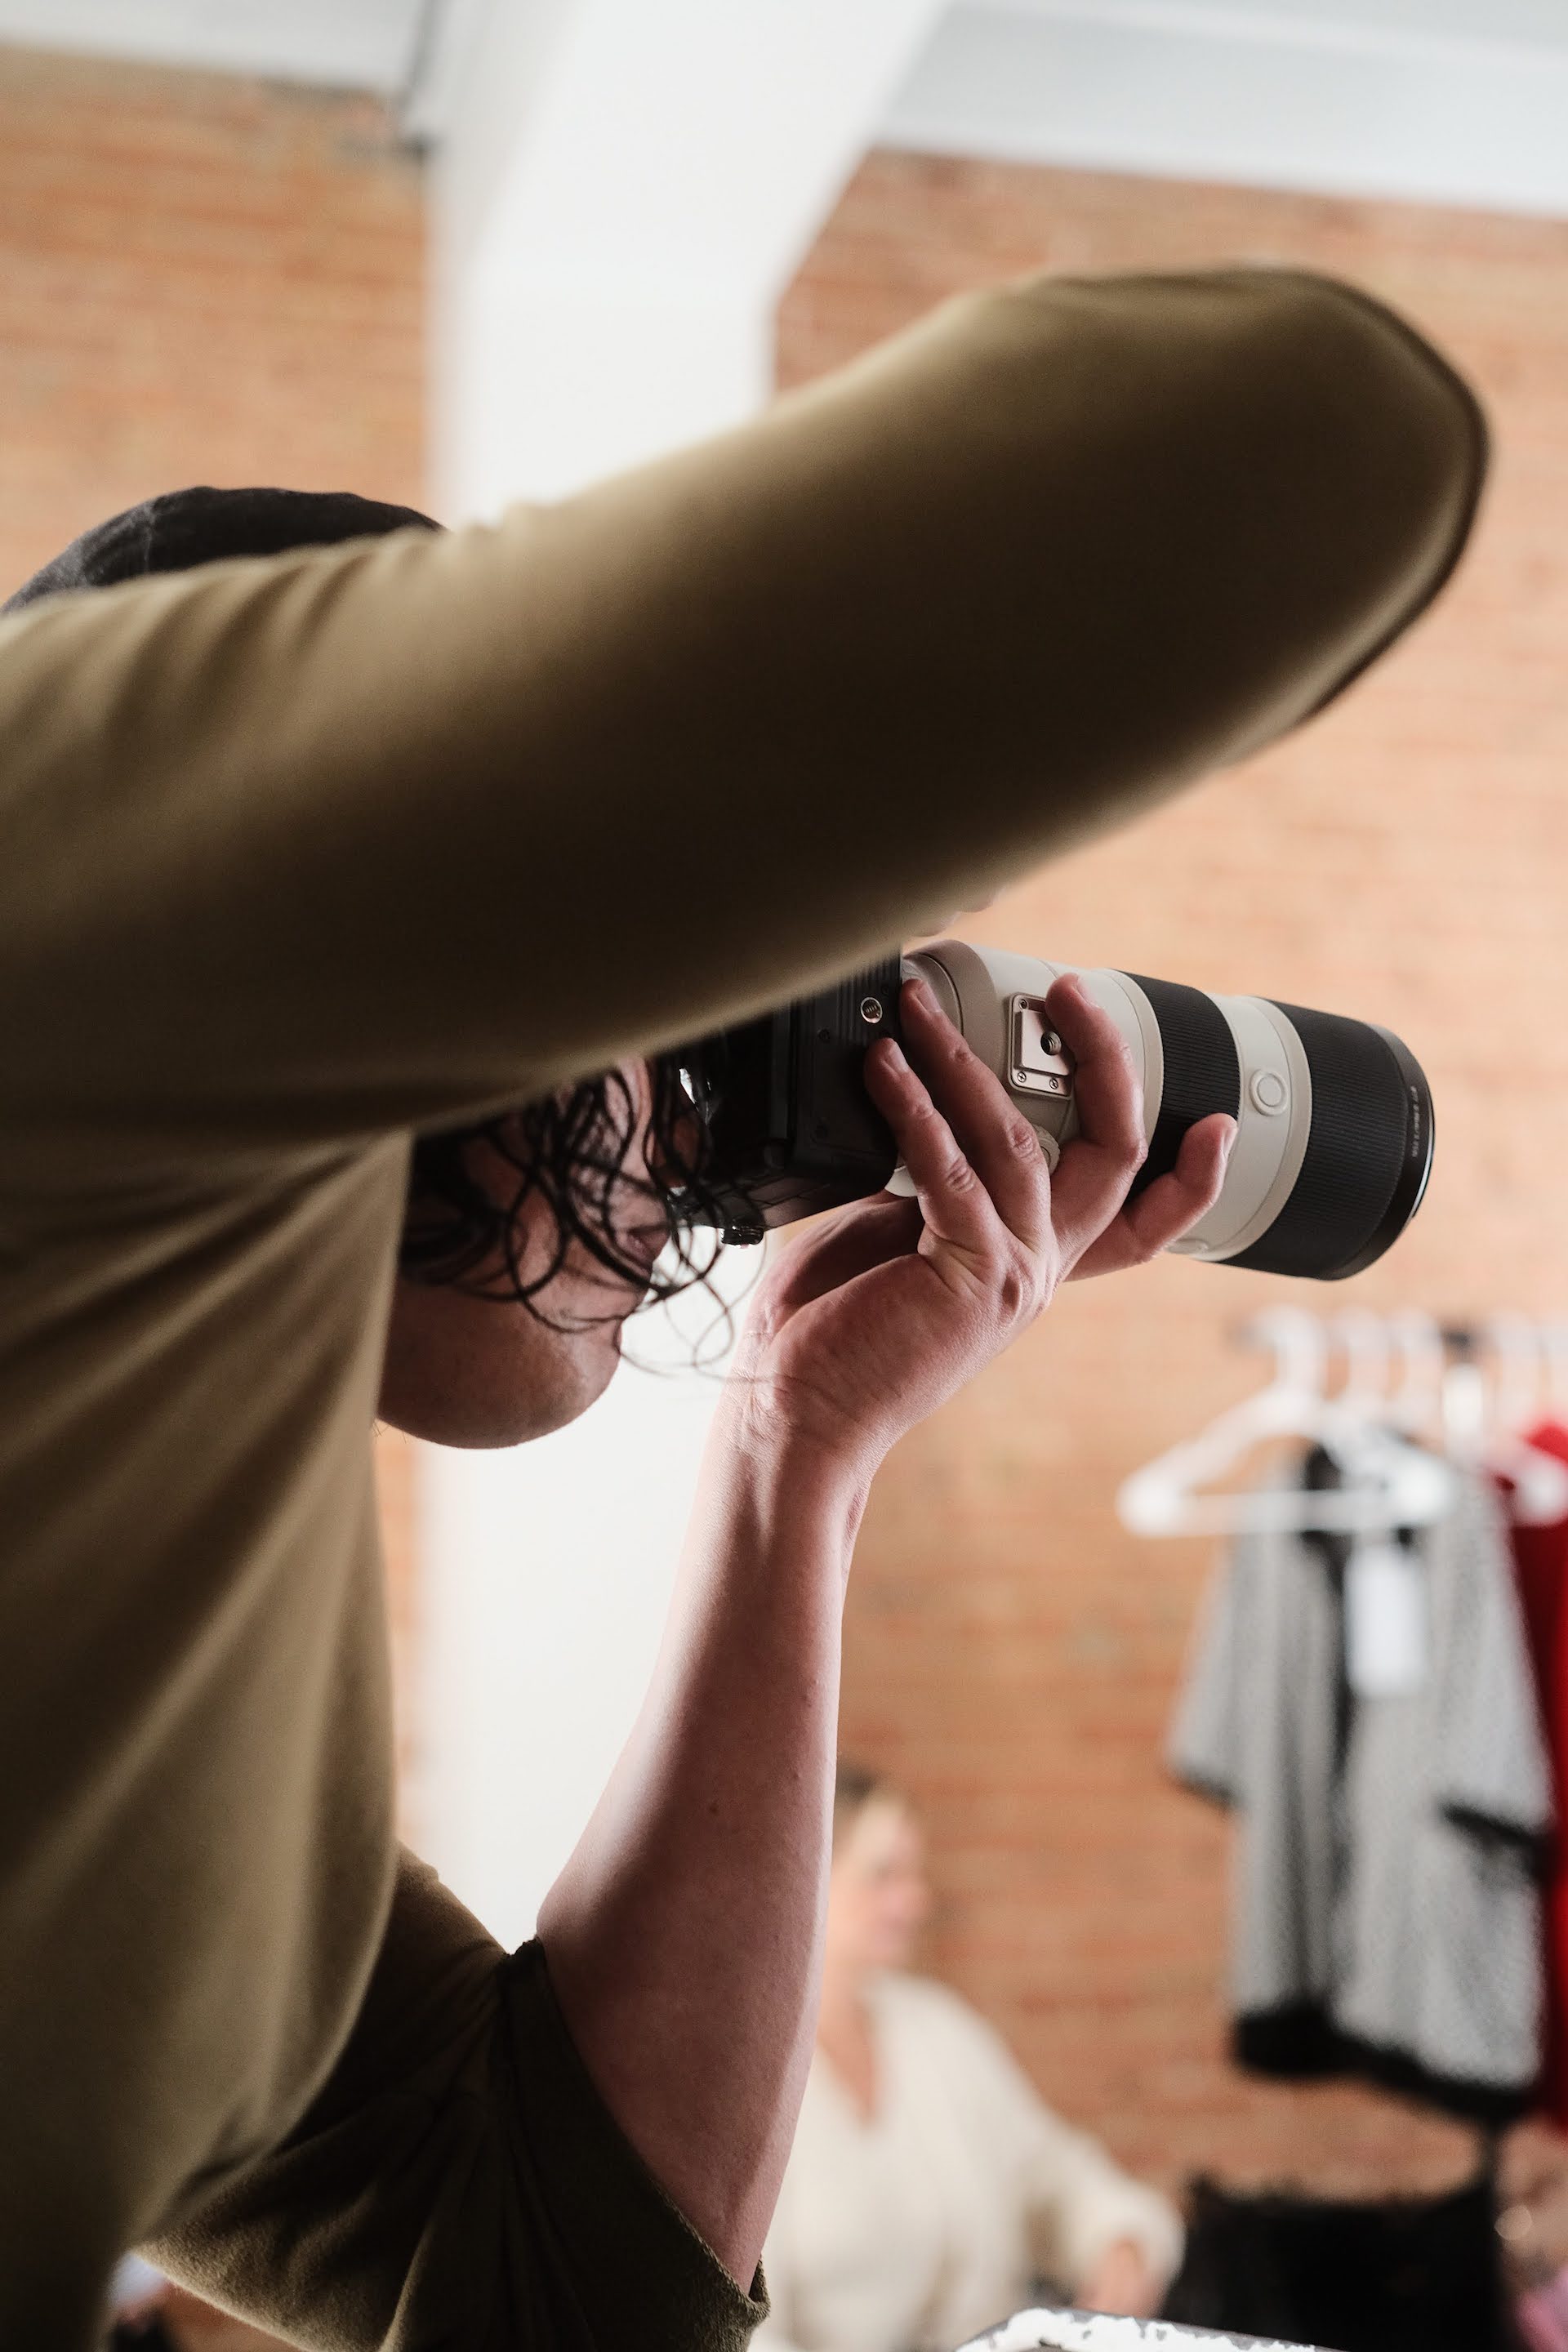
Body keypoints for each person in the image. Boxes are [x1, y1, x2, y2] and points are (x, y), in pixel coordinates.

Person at [0, 265, 1482, 2350]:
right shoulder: (58, 877)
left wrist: (801, 1467)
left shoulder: (185, 1631)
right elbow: (1312, 428)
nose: (675, 1076)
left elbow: (555, 2283)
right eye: (614, 961)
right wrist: (766, 864)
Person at [756, 1766, 1183, 2352]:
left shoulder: (939, 2032)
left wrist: (1121, 2242)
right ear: (805, 1873)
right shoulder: (743, 2085)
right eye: (884, 1875)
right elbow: (739, 2333)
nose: (916, 1900)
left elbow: (1053, 2175)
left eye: (914, 1873)